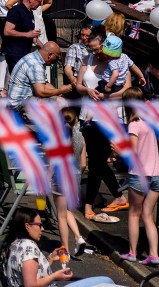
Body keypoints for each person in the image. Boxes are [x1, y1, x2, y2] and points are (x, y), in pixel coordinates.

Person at [74, 33, 131, 222]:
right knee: (96, 161)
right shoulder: (87, 59)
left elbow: (126, 90)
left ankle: (88, 205)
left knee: (96, 162)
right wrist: (88, 91)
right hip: (88, 116)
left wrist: (105, 97)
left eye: (98, 48)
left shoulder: (119, 61)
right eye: (92, 49)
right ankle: (119, 196)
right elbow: (78, 85)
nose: (96, 52)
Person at [120, 87, 159, 266]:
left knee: (134, 214)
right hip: (157, 175)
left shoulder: (134, 125)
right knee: (148, 216)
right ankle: (154, 254)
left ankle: (132, 252)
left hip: (139, 175)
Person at [0, 207, 74, 287]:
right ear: (27, 226)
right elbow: (30, 285)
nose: (42, 229)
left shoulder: (14, 242)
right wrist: (54, 276)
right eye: (39, 225)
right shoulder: (29, 249)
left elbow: (30, 272)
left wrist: (50, 259)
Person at [55, 107, 94, 257]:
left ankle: (64, 248)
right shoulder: (80, 137)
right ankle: (78, 237)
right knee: (67, 211)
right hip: (75, 176)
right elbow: (84, 164)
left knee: (60, 215)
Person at [6, 42, 69, 112]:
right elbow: (41, 92)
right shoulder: (35, 64)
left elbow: (45, 83)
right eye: (56, 57)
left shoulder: (35, 58)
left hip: (23, 100)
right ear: (50, 55)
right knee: (60, 103)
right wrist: (60, 90)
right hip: (19, 104)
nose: (56, 61)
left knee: (61, 100)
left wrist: (60, 94)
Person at [2, 0, 45, 77]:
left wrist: (43, 47)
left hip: (24, 52)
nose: (40, 4)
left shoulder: (30, 12)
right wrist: (27, 34)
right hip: (14, 52)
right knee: (17, 78)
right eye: (39, 0)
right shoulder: (16, 10)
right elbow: (7, 31)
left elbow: (30, 34)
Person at [61, 23, 94, 95]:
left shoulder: (97, 48)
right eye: (82, 35)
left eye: (87, 36)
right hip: (79, 79)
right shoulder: (75, 48)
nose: (84, 38)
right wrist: (72, 78)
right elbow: (68, 68)